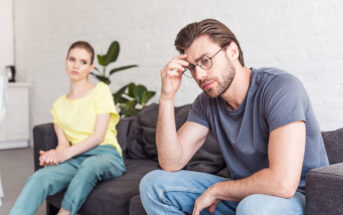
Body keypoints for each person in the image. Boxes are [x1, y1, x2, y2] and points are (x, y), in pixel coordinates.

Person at [139, 19, 329, 215]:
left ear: (233, 51)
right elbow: (171, 162)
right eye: (192, 68)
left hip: (295, 198)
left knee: (253, 207)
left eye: (205, 60)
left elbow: (283, 183)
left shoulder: (280, 88)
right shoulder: (206, 103)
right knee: (153, 185)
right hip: (243, 193)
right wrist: (167, 97)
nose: (200, 75)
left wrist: (219, 190)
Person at [10, 41, 126, 215]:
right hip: (76, 158)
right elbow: (63, 145)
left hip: (106, 155)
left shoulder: (101, 91)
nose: (76, 65)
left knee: (90, 164)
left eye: (83, 62)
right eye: (72, 59)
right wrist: (54, 155)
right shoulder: (58, 105)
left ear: (91, 67)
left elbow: (99, 136)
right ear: (66, 61)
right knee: (39, 178)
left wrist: (65, 154)